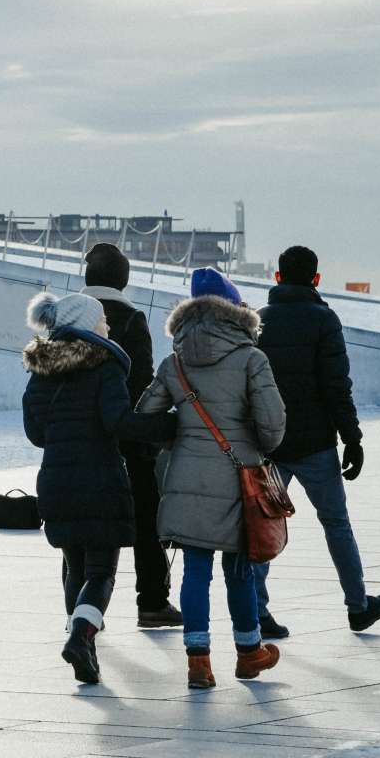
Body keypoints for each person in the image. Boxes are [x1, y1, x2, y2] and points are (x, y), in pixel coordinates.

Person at [134, 268, 284, 689]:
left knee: (195, 571)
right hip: (238, 480)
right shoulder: (252, 358)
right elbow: (273, 429)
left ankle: (198, 663)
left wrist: (182, 440)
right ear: (236, 311)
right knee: (239, 568)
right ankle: (249, 652)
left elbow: (146, 418)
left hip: (186, 478)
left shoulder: (174, 362)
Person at [250, 246, 380, 636]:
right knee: (336, 524)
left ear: (277, 277)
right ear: (316, 279)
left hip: (271, 447)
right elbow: (337, 387)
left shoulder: (259, 322)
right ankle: (358, 607)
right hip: (316, 445)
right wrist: (353, 439)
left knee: (263, 524)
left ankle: (257, 612)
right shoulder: (324, 320)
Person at [22, 290, 165, 684]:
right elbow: (118, 421)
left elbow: (35, 433)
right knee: (101, 571)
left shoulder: (40, 370)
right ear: (87, 324)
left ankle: (82, 642)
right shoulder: (105, 365)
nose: (108, 325)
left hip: (56, 480)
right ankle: (82, 639)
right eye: (103, 319)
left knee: (75, 567)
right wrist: (167, 426)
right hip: (99, 478)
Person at [80, 242, 179, 629]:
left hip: (80, 440)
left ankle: (81, 611)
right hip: (127, 442)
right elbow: (142, 387)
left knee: (82, 526)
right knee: (144, 520)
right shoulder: (131, 318)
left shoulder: (66, 315)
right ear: (123, 281)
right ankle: (152, 602)